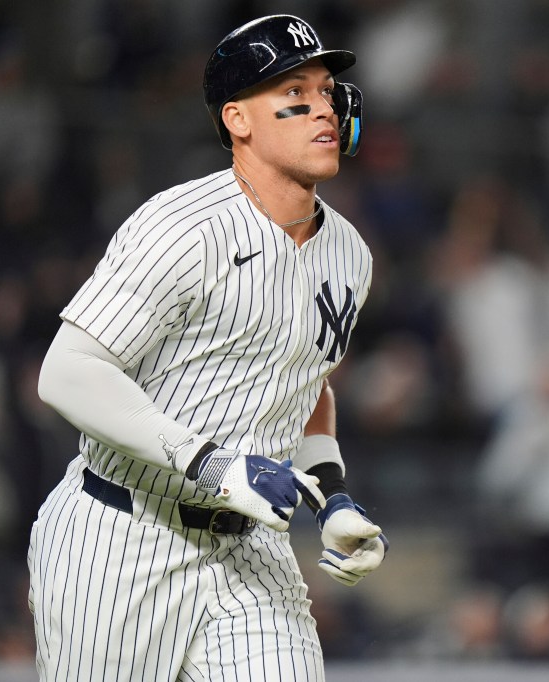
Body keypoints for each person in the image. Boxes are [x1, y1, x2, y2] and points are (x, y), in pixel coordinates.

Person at [27, 14, 388, 681]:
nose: (325, 110)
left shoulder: (350, 255)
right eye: (296, 96)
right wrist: (215, 466)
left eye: (329, 93)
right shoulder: (181, 227)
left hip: (253, 551)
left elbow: (306, 385)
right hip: (122, 534)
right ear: (238, 120)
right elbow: (67, 373)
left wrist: (331, 495)